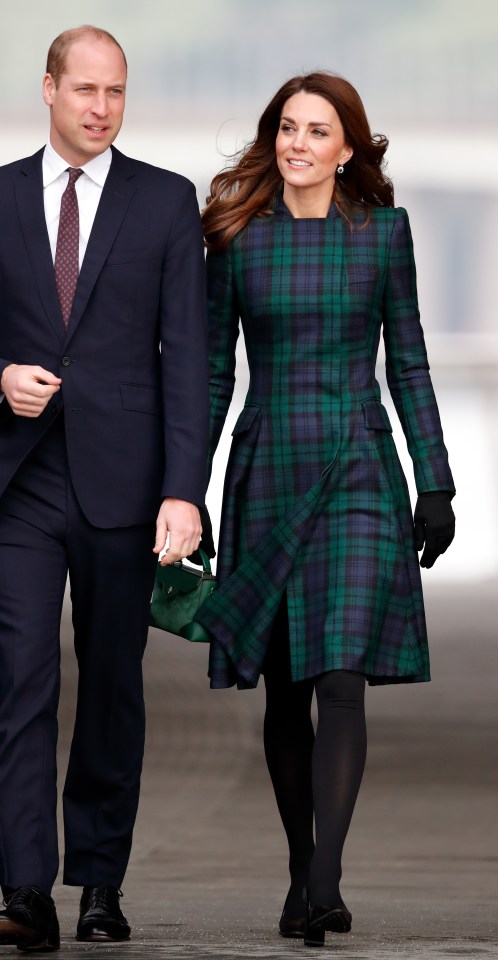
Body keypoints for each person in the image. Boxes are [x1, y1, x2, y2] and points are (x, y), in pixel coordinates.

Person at [0, 25, 208, 950]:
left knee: (114, 688)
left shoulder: (166, 204)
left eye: (116, 91)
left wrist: (183, 489)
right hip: (16, 487)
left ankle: (99, 883)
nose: (100, 107)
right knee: (25, 684)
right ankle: (26, 891)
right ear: (47, 89)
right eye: (84, 89)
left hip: (127, 492)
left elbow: (189, 363)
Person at [196, 72, 455, 948]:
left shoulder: (384, 236)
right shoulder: (236, 241)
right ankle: (301, 864)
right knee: (285, 689)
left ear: (348, 149)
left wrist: (437, 481)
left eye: (318, 131)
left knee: (341, 676)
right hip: (267, 465)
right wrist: (181, 490)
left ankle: (324, 881)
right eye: (288, 129)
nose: (299, 143)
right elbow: (212, 375)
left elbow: (410, 363)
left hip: (356, 467)